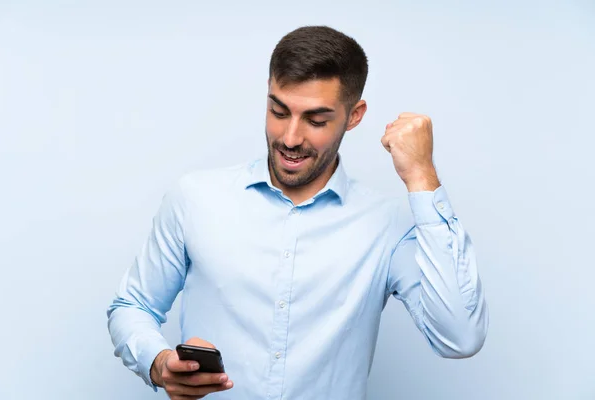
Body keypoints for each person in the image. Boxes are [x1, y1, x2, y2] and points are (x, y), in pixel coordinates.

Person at [107, 25, 489, 400]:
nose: (290, 138)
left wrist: (422, 176)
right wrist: (158, 363)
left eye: (316, 120)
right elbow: (132, 305)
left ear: (354, 116)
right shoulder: (194, 198)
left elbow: (459, 337)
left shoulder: (388, 225)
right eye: (278, 111)